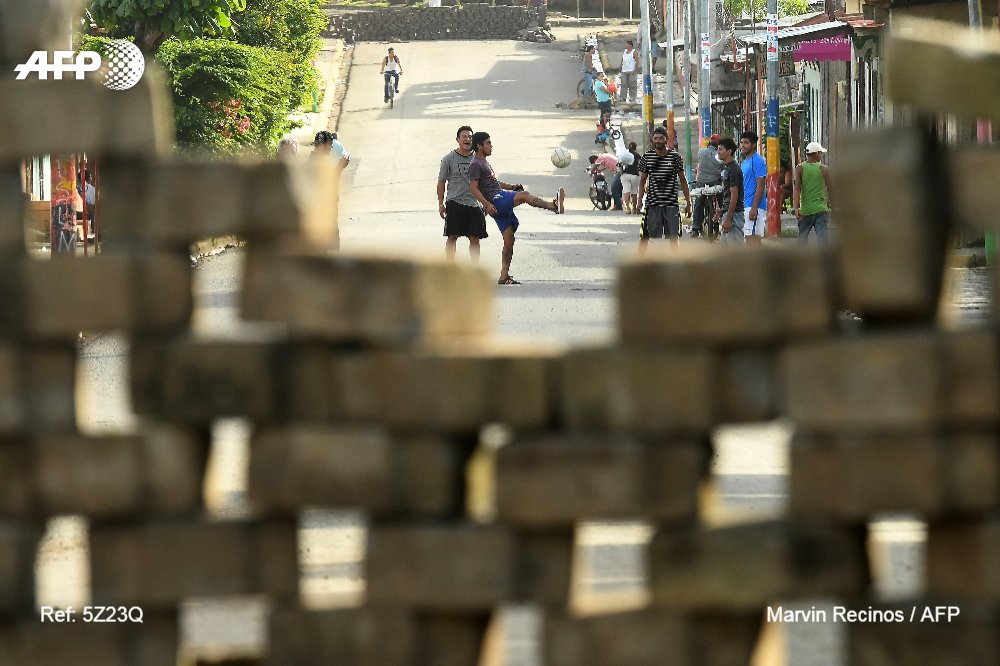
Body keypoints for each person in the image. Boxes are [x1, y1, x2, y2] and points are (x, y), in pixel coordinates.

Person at [467, 131, 565, 285]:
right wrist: (487, 204)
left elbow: (494, 182)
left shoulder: (484, 162)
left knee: (509, 240)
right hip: (496, 200)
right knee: (524, 196)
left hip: (498, 200)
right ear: (479, 146)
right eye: (488, 143)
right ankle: (553, 206)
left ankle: (504, 276)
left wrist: (512, 187)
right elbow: (473, 188)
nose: (491, 146)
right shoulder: (475, 164)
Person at [438, 125, 488, 262]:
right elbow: (441, 182)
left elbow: (485, 181)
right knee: (452, 236)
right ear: (458, 139)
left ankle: (475, 269)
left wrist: (486, 202)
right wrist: (441, 204)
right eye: (464, 137)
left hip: (474, 203)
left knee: (475, 238)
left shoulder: (479, 158)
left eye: (470, 137)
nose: (467, 139)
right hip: (454, 202)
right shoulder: (448, 159)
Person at [638, 126, 691, 252]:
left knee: (674, 237)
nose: (658, 141)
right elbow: (642, 181)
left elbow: (683, 180)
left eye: (661, 138)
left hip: (671, 204)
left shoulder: (675, 157)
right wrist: (639, 201)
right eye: (655, 138)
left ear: (666, 139)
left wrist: (689, 203)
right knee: (644, 237)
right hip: (652, 204)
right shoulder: (647, 157)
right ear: (652, 140)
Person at [793, 141, 833, 245]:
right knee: (823, 240)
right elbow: (830, 189)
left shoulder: (800, 168)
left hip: (806, 210)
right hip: (821, 209)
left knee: (802, 240)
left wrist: (796, 207)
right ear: (816, 154)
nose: (821, 155)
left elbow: (797, 189)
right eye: (820, 153)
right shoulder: (824, 169)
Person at [691, 133, 723, 237]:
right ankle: (725, 221)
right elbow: (723, 168)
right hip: (715, 182)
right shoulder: (719, 154)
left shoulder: (701, 151)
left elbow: (701, 164)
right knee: (722, 199)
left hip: (701, 182)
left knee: (699, 202)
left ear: (709, 142)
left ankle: (695, 228)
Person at [739, 130, 767, 246]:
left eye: (746, 143)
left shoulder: (758, 161)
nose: (743, 145)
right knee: (751, 241)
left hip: (754, 206)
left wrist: (754, 207)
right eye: (741, 142)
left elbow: (761, 185)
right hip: (746, 205)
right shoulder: (744, 162)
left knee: (752, 240)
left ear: (754, 144)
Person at [717, 137, 745, 246]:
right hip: (728, 212)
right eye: (718, 149)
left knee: (735, 250)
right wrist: (723, 210)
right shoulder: (727, 168)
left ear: (729, 151)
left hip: (734, 214)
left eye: (721, 149)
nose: (718, 152)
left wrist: (728, 219)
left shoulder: (733, 169)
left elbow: (734, 196)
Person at [620, 141, 642, 214]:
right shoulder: (637, 155)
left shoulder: (623, 154)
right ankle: (634, 209)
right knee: (634, 192)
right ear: (635, 148)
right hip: (634, 175)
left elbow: (619, 164)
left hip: (624, 175)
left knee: (626, 191)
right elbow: (640, 165)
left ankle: (628, 208)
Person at [620, 40, 638, 104]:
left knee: (632, 84)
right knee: (623, 84)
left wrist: (635, 70)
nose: (626, 45)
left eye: (627, 44)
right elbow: (622, 60)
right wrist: (620, 66)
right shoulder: (624, 51)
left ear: (630, 45)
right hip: (624, 71)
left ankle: (632, 97)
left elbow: (636, 61)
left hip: (631, 71)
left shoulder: (634, 52)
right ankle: (623, 97)